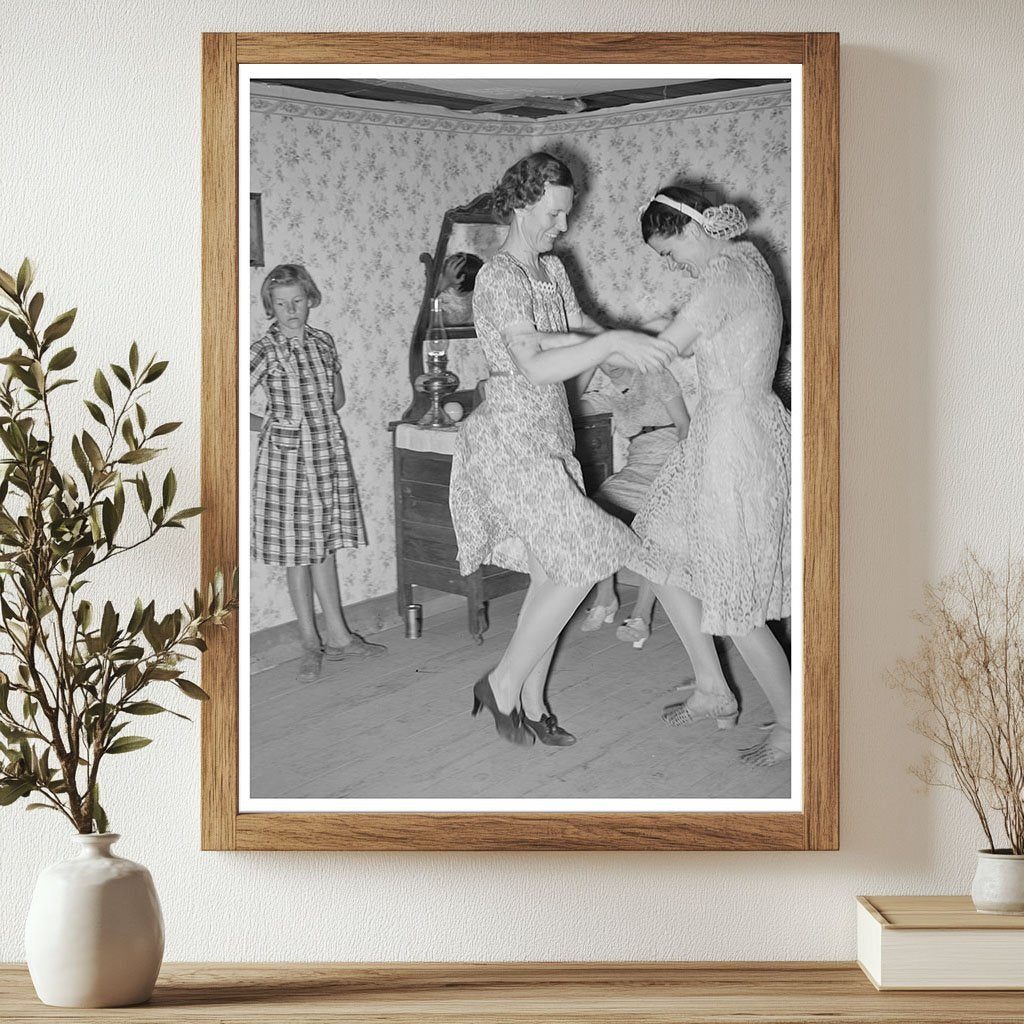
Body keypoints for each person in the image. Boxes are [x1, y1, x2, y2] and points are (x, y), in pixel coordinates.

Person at [449, 153, 676, 747]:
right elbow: (534, 361)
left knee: (556, 572)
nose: (562, 226)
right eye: (554, 213)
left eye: (567, 214)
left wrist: (657, 345)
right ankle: (499, 685)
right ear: (523, 204)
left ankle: (530, 698)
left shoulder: (551, 270)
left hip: (551, 439)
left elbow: (581, 335)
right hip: (510, 442)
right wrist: (614, 345)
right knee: (587, 559)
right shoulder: (498, 276)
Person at [632, 187, 793, 766]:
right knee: (656, 551)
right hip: (722, 430)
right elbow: (704, 331)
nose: (672, 263)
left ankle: (791, 723)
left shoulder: (724, 272)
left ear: (690, 229)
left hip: (734, 442)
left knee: (734, 595)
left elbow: (668, 348)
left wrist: (590, 337)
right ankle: (712, 687)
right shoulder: (745, 260)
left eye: (669, 250)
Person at [250, 264, 386, 683]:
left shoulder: (323, 342)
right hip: (287, 462)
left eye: (298, 301)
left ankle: (341, 637)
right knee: (297, 552)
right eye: (281, 304)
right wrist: (272, 426)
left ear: (309, 299)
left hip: (326, 452)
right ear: (270, 307)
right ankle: (310, 642)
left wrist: (321, 409)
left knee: (323, 545)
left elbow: (337, 398)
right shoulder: (264, 350)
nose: (291, 310)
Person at [577, 360, 692, 649]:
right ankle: (606, 594)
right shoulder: (610, 394)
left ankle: (642, 614)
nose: (610, 366)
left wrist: (683, 473)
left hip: (670, 462)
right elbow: (566, 406)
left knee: (656, 523)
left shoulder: (655, 375)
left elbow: (684, 426)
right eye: (602, 360)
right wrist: (587, 365)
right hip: (636, 467)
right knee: (595, 510)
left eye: (616, 356)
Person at [435, 251, 483, 326]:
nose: (446, 262)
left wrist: (443, 284)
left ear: (460, 279)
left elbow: (431, 321)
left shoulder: (459, 310)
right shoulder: (446, 281)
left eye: (452, 265)